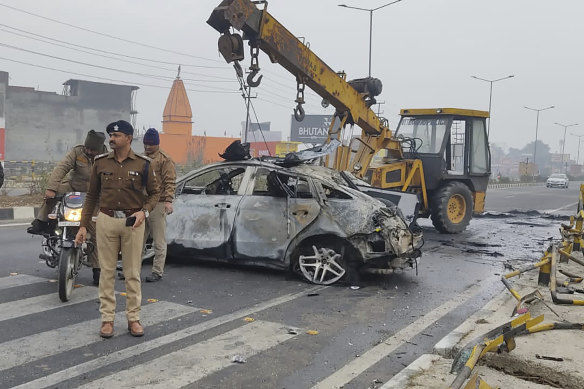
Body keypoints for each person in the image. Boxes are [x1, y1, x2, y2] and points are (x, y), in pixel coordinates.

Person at [74, 120, 160, 339]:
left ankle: (134, 319)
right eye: (111, 136)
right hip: (106, 220)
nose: (111, 139)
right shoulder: (101, 163)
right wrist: (83, 225)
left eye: (117, 136)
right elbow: (92, 196)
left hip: (133, 222)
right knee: (106, 273)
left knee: (132, 273)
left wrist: (144, 212)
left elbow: (154, 194)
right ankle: (107, 320)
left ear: (128, 138)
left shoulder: (143, 164)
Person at [27, 130, 107, 285]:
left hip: (94, 196)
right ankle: (41, 221)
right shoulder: (77, 152)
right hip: (73, 186)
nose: (88, 151)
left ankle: (97, 269)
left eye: (92, 150)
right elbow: (62, 167)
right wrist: (50, 188)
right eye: (87, 148)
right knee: (52, 193)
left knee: (96, 231)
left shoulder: (106, 158)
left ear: (99, 148)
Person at [142, 128, 176, 282]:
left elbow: (170, 181)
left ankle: (157, 271)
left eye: (150, 144)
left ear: (157, 144)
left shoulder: (165, 160)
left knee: (159, 240)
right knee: (137, 240)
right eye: (145, 144)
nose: (148, 147)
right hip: (142, 204)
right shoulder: (141, 158)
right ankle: (132, 269)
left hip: (158, 203)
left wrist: (168, 201)